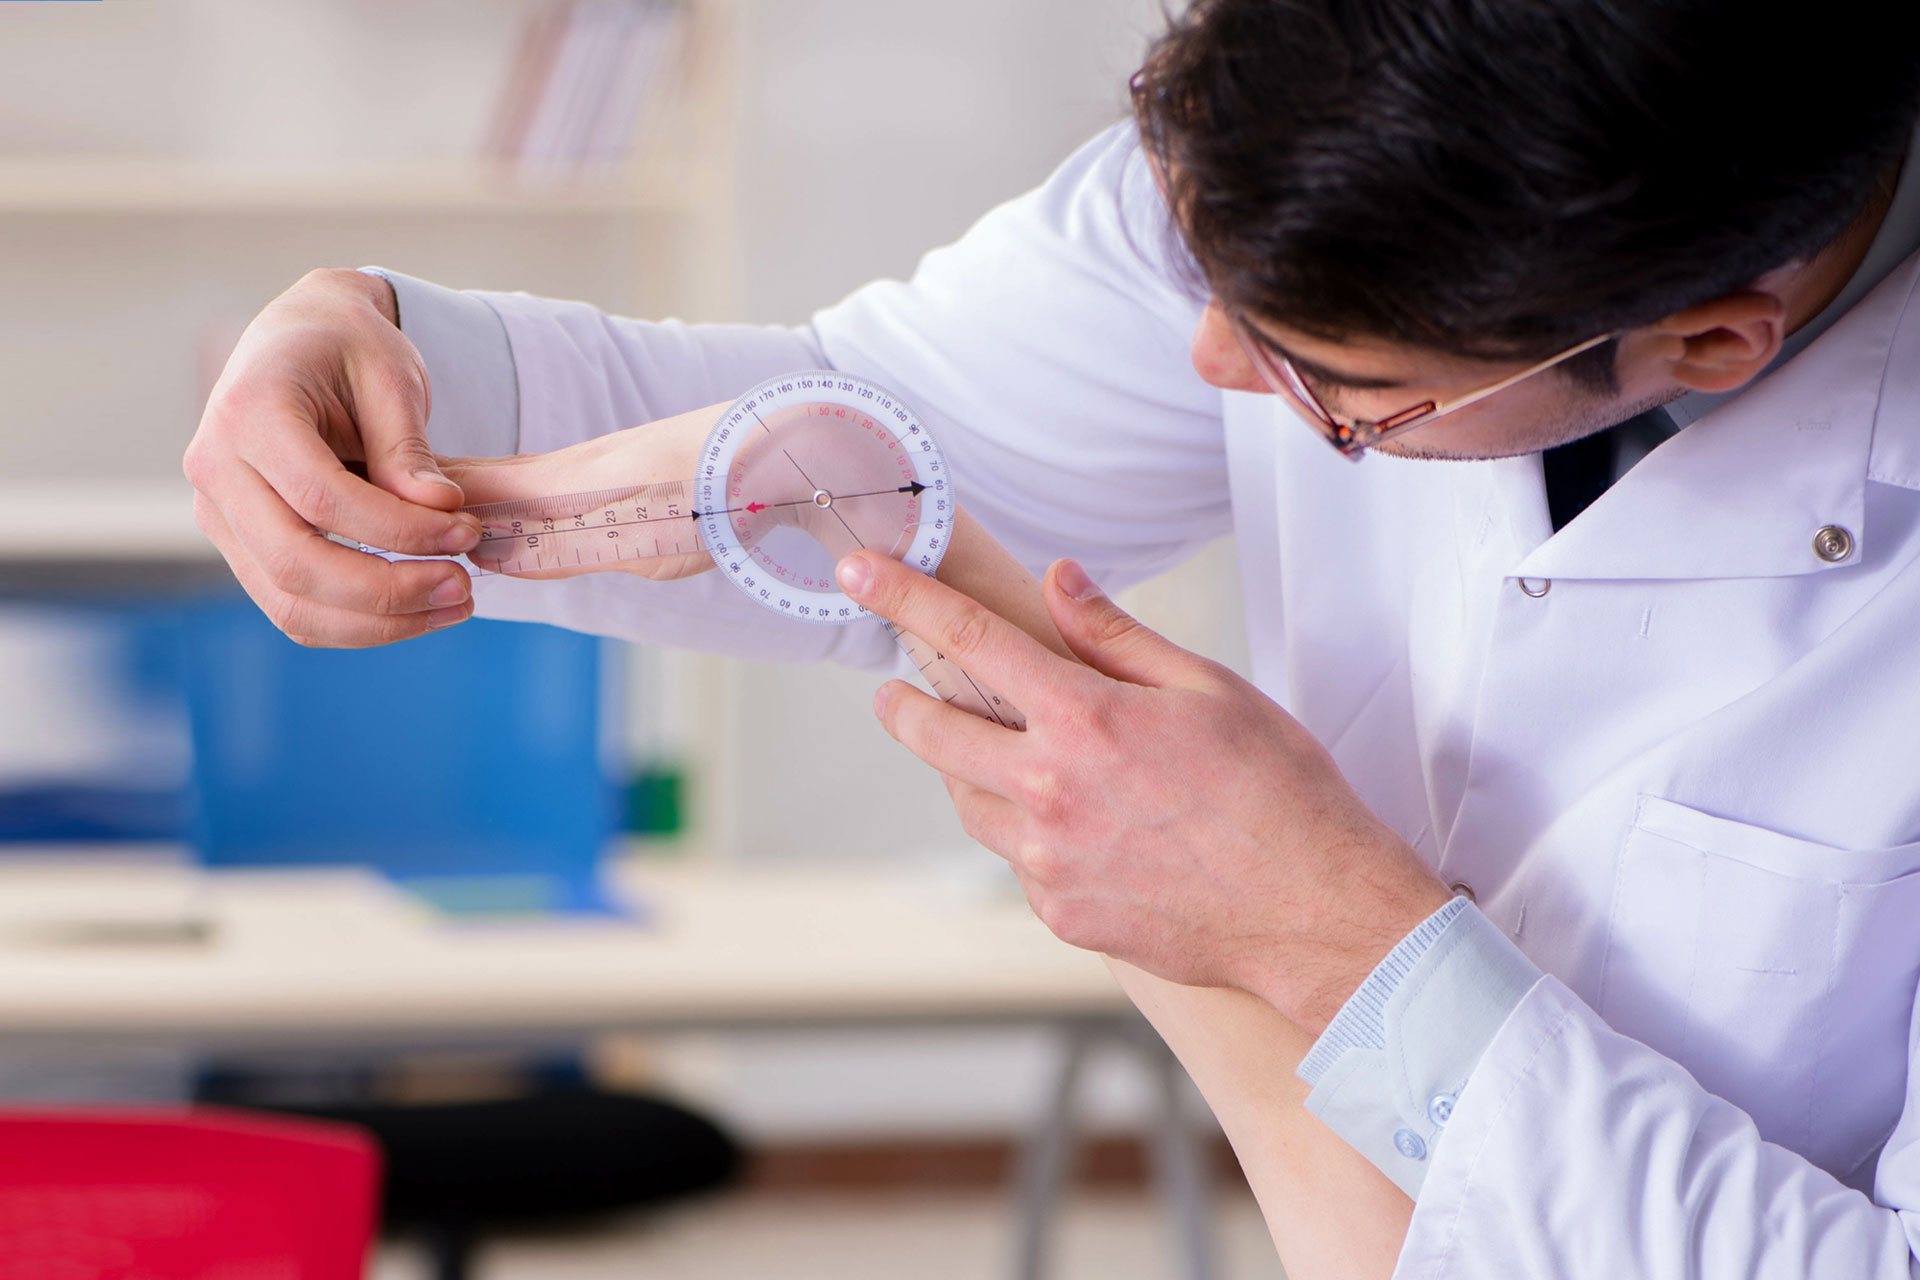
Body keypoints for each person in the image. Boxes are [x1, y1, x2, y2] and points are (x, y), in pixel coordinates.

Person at [183, 0, 1920, 1274]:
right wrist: (380, 348)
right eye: (1195, 271)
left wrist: (1322, 940)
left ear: (1710, 342)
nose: (1214, 373)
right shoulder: (1340, 148)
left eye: (1340, 384)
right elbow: (877, 437)